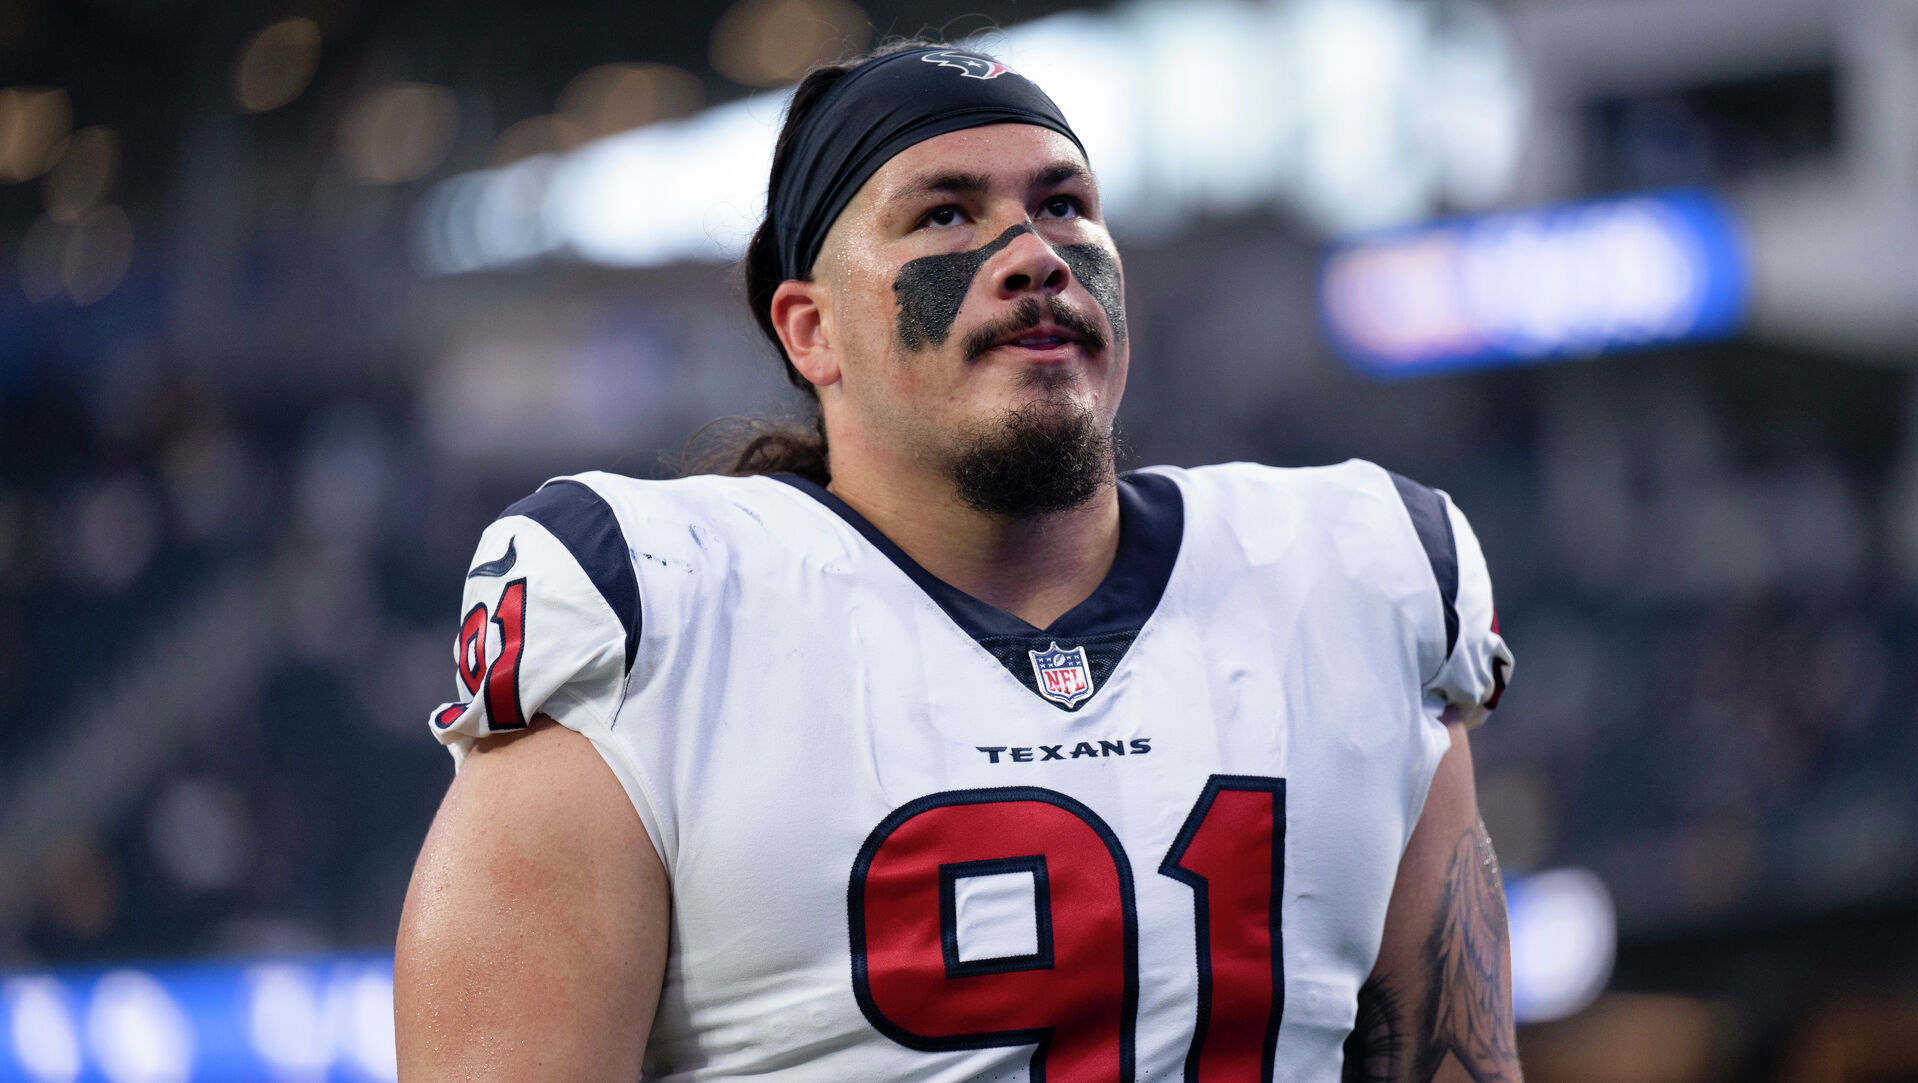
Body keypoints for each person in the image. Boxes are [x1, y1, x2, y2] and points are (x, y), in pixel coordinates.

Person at [395, 43, 1520, 1083]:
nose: (1035, 256)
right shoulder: (655, 616)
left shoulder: (1354, 578)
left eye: (1064, 204)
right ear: (809, 332)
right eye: (943, 216)